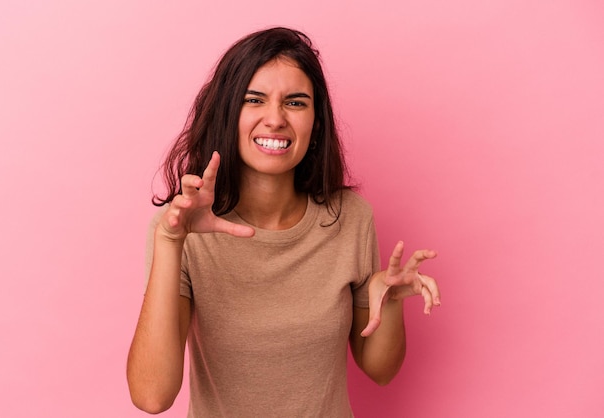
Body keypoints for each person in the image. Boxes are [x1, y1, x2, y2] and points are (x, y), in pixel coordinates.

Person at [126, 27, 441, 417]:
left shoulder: (351, 217)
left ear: (316, 122)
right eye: (253, 100)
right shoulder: (180, 227)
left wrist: (390, 301)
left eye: (295, 102)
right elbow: (152, 396)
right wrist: (171, 241)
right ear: (227, 112)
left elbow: (380, 371)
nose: (274, 119)